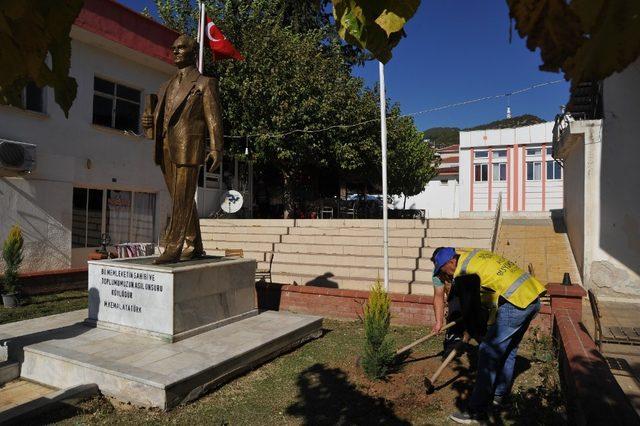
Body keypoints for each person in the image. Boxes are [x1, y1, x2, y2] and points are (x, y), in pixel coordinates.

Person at [431, 247, 546, 424]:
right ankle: (499, 396)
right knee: (509, 348)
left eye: (442, 270)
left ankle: (476, 410)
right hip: (532, 298)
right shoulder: (471, 255)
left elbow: (474, 311)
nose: (443, 275)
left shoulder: (464, 273)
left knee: (487, 351)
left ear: (450, 263)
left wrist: (471, 332)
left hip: (515, 303)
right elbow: (487, 302)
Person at [142, 35, 223, 264]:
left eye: (181, 47)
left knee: (181, 199)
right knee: (182, 197)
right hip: (165, 146)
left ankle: (173, 246)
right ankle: (195, 243)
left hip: (189, 146)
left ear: (193, 51)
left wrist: (217, 147)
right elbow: (161, 117)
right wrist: (148, 122)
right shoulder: (164, 85)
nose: (175, 51)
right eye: (173, 48)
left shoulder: (205, 83)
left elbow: (213, 117)